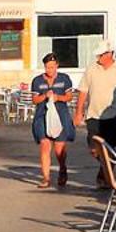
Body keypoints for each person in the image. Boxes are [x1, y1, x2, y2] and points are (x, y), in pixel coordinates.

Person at [76, 46, 116, 188]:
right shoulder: (91, 68)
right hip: (94, 114)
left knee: (111, 148)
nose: (98, 58)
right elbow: (83, 91)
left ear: (110, 54)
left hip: (114, 115)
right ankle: (106, 172)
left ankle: (106, 178)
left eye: (101, 55)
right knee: (95, 148)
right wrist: (78, 112)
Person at [31, 53, 76, 189]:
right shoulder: (37, 81)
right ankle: (46, 178)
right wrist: (44, 96)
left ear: (57, 66)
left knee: (59, 148)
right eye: (47, 67)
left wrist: (58, 97)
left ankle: (62, 168)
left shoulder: (64, 79)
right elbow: (34, 100)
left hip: (60, 115)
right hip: (42, 116)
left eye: (52, 67)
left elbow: (69, 97)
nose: (50, 70)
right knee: (45, 145)